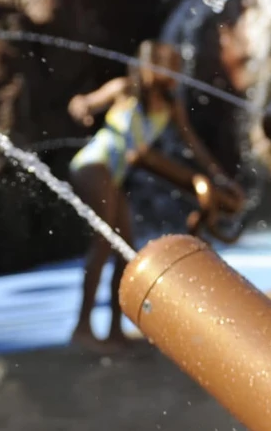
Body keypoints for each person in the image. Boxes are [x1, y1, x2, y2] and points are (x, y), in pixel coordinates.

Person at [66, 41, 229, 350]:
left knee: (125, 250)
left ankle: (114, 329)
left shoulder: (170, 105)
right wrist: (82, 108)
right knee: (103, 243)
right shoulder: (124, 90)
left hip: (111, 176)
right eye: (170, 65)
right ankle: (82, 328)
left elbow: (194, 145)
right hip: (92, 165)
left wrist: (218, 177)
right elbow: (83, 102)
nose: (177, 72)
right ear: (151, 65)